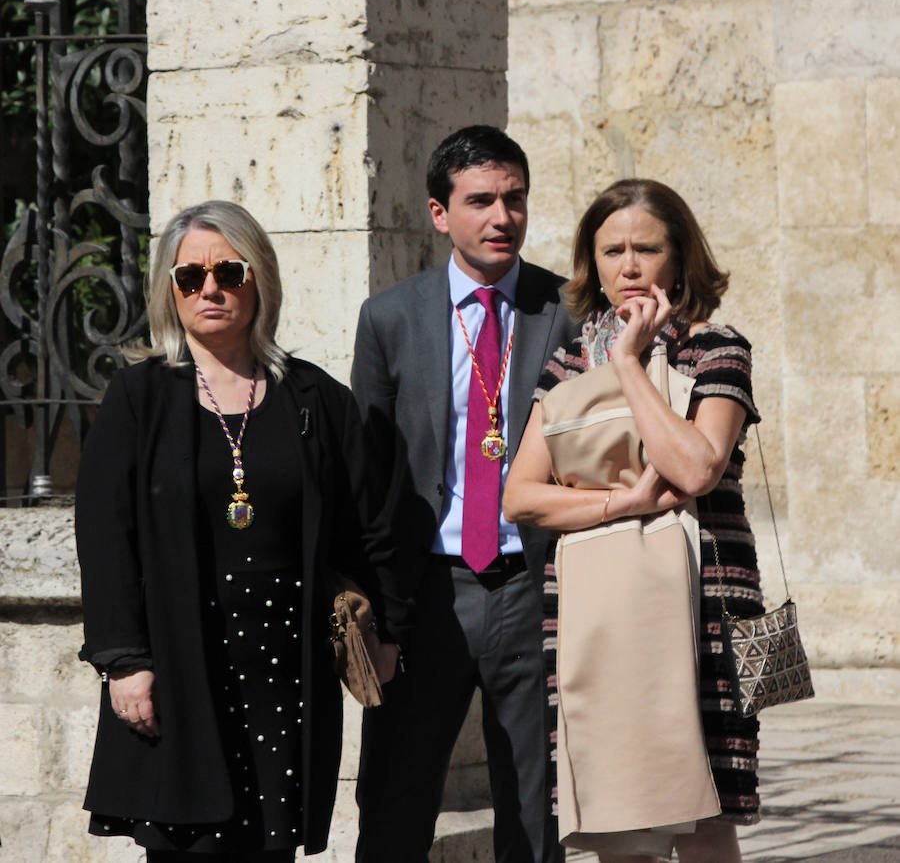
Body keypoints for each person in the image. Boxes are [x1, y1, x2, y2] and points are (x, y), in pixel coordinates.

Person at [76, 200, 409, 862]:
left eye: (229, 272)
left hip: (284, 670)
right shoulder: (138, 399)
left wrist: (387, 631)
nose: (210, 289)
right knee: (187, 845)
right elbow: (105, 538)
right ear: (169, 292)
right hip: (178, 666)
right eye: (189, 277)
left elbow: (368, 525)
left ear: (260, 279)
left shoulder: (314, 399)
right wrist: (125, 663)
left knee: (268, 847)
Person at [503, 179, 763, 863]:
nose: (629, 265)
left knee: (705, 819)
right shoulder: (564, 366)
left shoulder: (718, 350)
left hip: (702, 605)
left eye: (646, 248)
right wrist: (623, 504)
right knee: (619, 818)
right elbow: (522, 497)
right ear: (592, 261)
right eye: (612, 249)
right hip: (600, 612)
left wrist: (627, 365)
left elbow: (698, 468)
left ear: (679, 258)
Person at [351, 125, 576, 863]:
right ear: (439, 213)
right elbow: (373, 474)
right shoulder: (390, 318)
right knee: (394, 804)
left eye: (514, 199)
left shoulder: (568, 311)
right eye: (480, 200)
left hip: (534, 587)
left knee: (536, 812)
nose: (501, 217)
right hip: (426, 595)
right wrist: (379, 607)